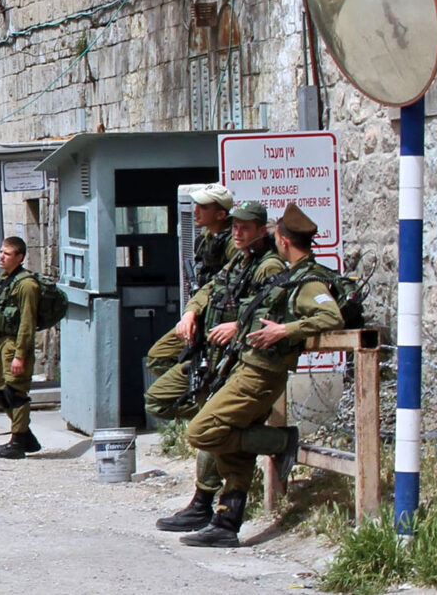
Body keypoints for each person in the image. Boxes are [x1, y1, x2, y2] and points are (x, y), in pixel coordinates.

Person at [179, 203, 344, 548]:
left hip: (260, 375)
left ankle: (281, 441)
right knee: (233, 442)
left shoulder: (308, 279)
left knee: (202, 432)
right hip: (249, 367)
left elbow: (332, 318)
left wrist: (286, 330)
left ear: (282, 239)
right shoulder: (289, 273)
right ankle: (227, 522)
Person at [146, 200, 284, 531]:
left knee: (215, 431)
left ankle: (211, 505)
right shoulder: (239, 257)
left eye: (245, 228)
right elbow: (210, 289)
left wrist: (238, 327)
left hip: (243, 361)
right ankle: (209, 504)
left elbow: (276, 315)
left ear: (260, 231)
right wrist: (192, 311)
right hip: (214, 356)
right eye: (235, 227)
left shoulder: (269, 266)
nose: (237, 233)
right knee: (161, 400)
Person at [145, 183, 234, 378]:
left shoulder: (233, 243)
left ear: (220, 215)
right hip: (203, 311)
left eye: (203, 207)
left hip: (220, 317)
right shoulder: (205, 238)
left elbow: (227, 282)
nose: (195, 211)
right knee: (158, 357)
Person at [0, 236, 42, 459]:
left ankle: (18, 442)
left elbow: (27, 323)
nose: (1, 257)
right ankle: (25, 436)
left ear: (19, 257)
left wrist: (20, 355)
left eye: (7, 254)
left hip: (16, 345)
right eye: (1, 252)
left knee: (15, 393)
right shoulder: (8, 280)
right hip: (3, 344)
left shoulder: (27, 285)